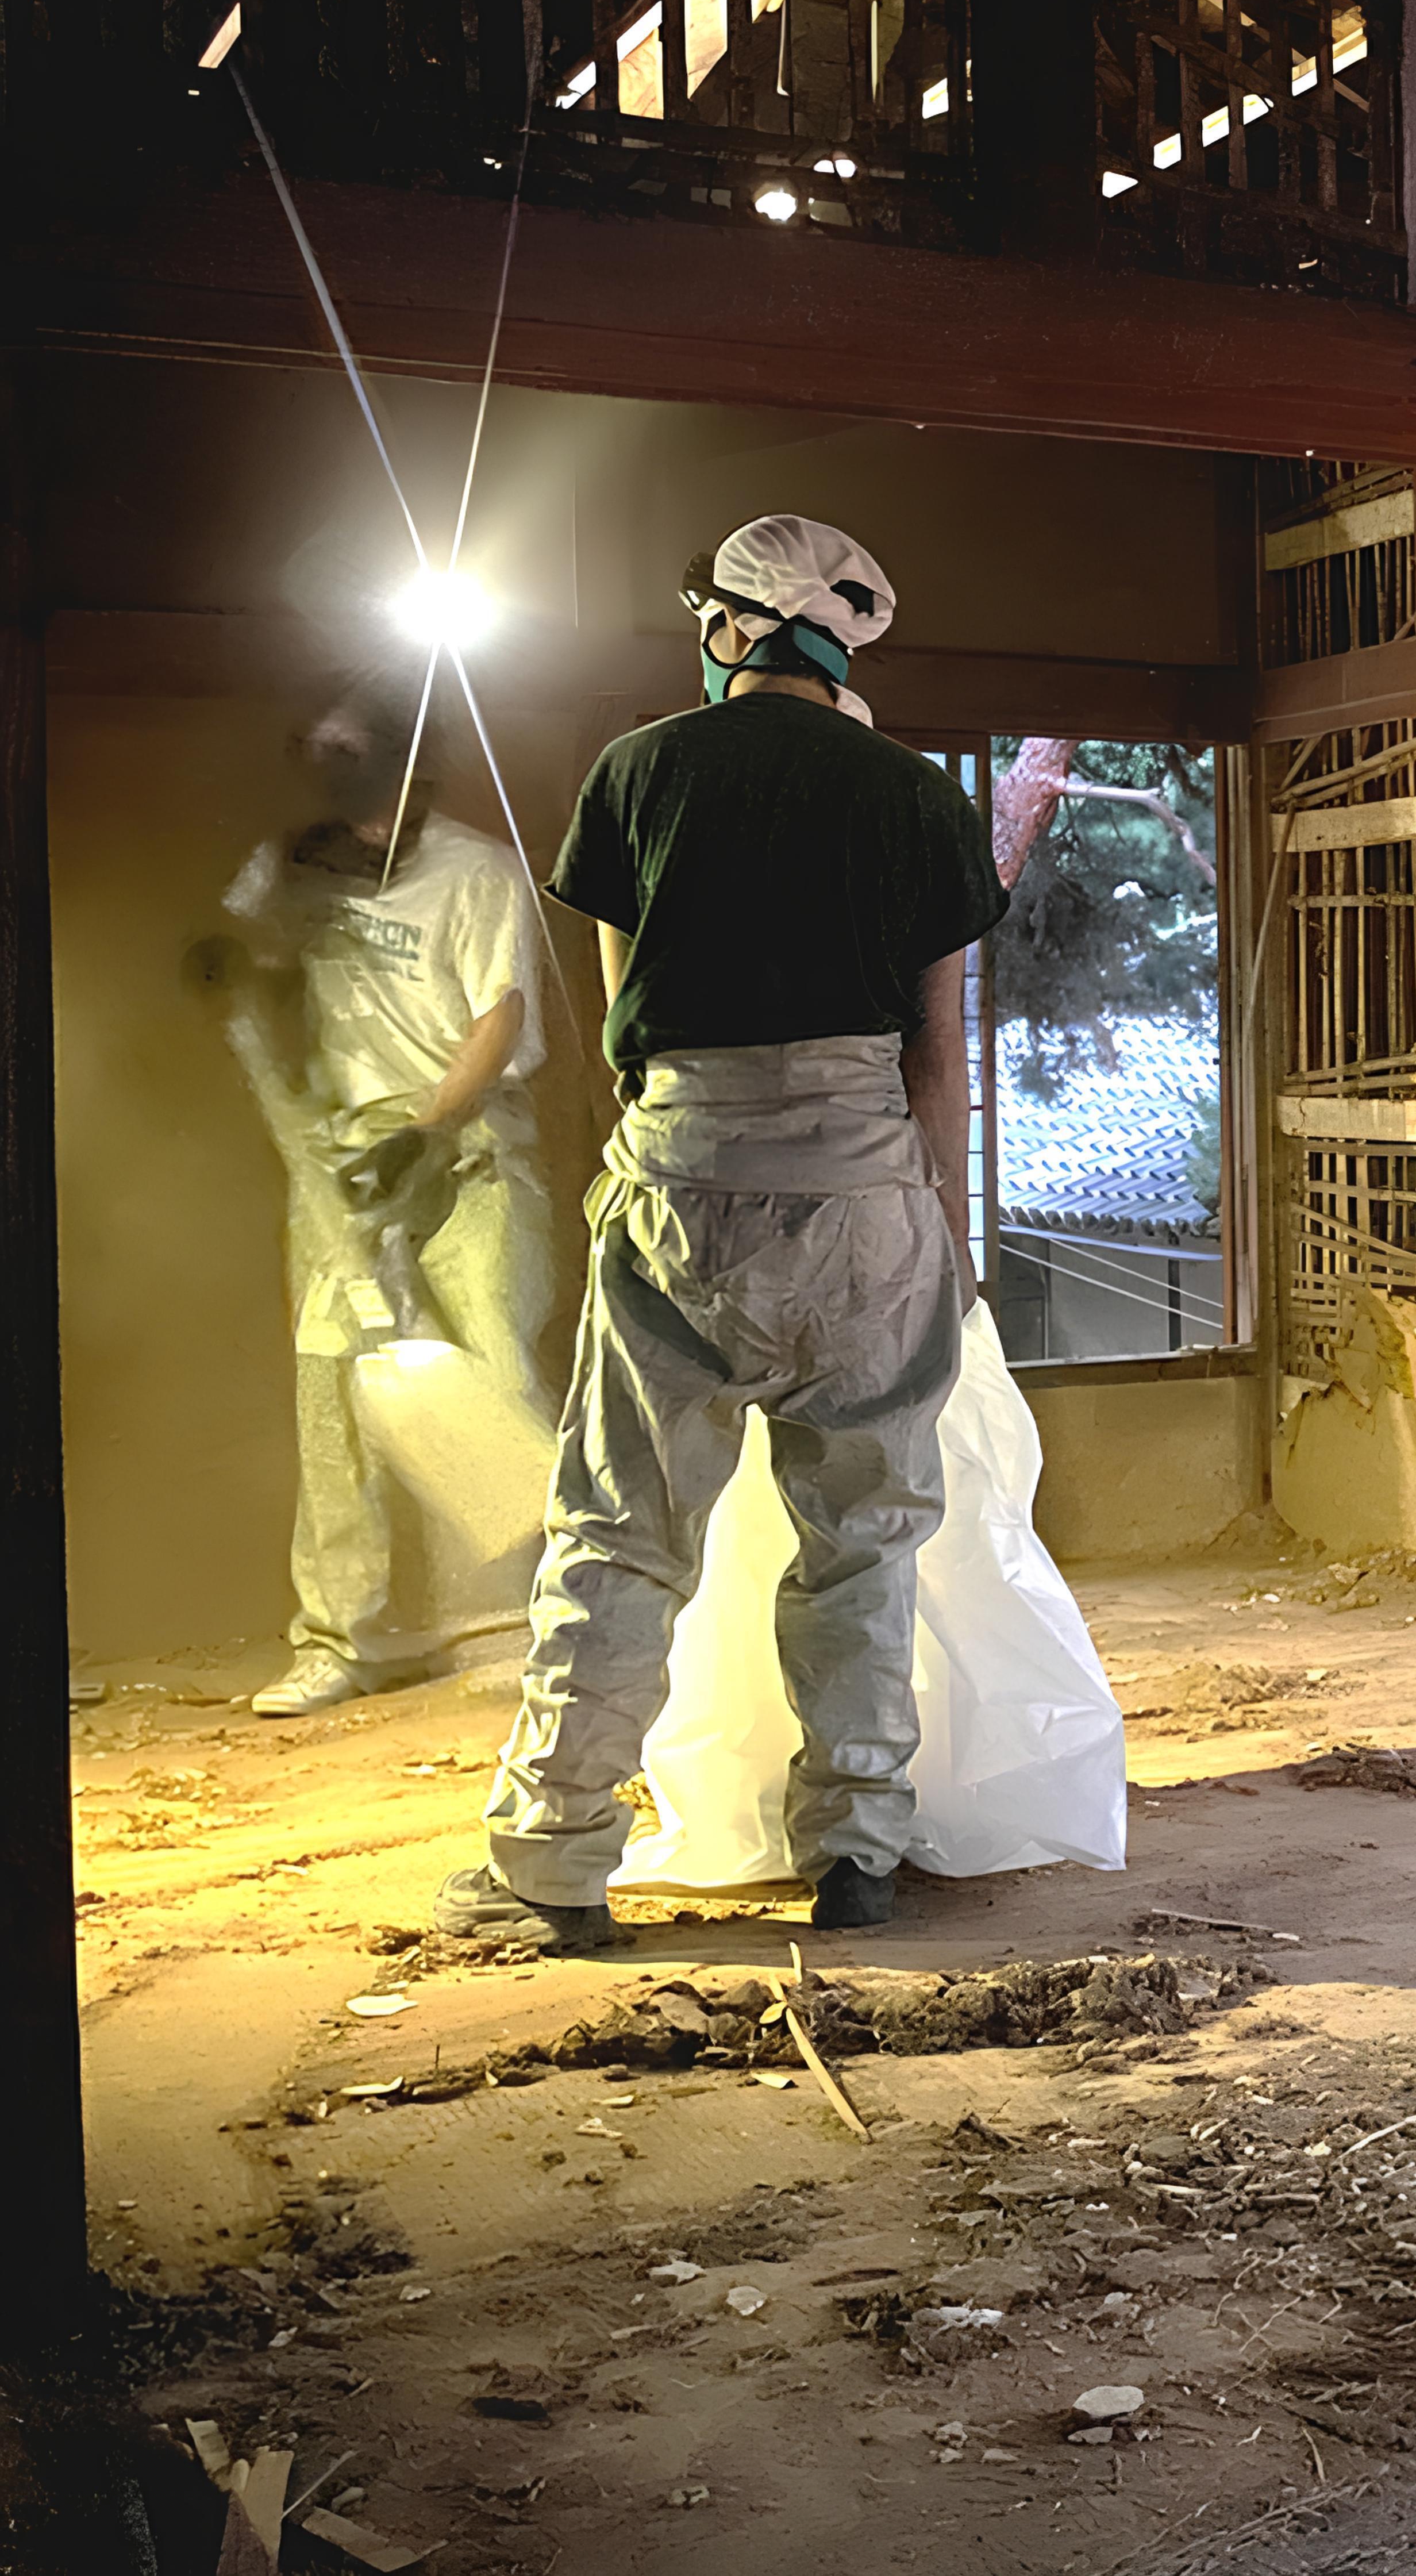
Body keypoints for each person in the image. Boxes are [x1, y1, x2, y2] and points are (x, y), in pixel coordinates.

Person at [435, 516, 1007, 1950]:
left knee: (621, 1533)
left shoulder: (638, 770)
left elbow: (621, 1039)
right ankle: (859, 1847)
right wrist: (947, 1233)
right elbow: (939, 1053)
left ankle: (556, 1855)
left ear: (733, 630)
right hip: (871, 1192)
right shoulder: (921, 796)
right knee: (864, 1539)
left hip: (686, 1178)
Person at [221, 697, 552, 1716]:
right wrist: (241, 975)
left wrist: (427, 1132)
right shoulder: (289, 869)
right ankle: (341, 1637)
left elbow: (500, 1018)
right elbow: (258, 980)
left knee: (490, 1377)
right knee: (335, 1401)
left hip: (468, 1151)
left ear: (416, 767)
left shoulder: (476, 871)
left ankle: (511, 1626)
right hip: (340, 1167)